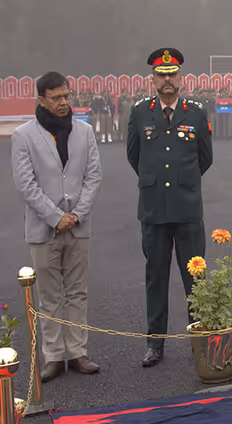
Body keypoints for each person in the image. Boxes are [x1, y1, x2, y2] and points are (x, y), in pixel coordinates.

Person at [11, 71, 104, 382]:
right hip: (43, 230)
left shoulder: (85, 132)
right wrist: (56, 217)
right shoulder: (24, 135)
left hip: (79, 226)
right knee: (49, 298)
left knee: (78, 292)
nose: (64, 102)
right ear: (41, 100)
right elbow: (26, 184)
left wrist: (76, 215)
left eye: (67, 96)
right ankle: (53, 356)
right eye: (56, 98)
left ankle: (78, 351)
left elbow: (93, 177)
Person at [126, 48, 213, 367]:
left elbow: (206, 157)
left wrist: (182, 182)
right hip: (153, 210)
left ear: (181, 79)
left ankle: (200, 339)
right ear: (153, 80)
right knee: (156, 277)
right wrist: (155, 182)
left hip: (187, 208)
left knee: (196, 279)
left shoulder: (196, 112)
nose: (167, 81)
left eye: (172, 74)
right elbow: (134, 156)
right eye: (161, 75)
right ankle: (155, 343)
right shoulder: (139, 112)